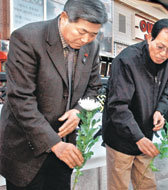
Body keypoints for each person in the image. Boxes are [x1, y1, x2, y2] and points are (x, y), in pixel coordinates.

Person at [0, 0, 107, 189]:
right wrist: (55, 144)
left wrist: (78, 111)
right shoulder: (27, 38)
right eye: (82, 32)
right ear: (64, 18)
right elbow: (20, 99)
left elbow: (94, 87)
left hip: (65, 148)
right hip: (26, 150)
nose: (86, 40)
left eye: (93, 34)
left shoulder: (92, 47)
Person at [102, 19, 168, 189]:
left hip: (145, 134)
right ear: (148, 38)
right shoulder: (126, 61)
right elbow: (117, 106)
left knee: (148, 185)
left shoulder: (167, 62)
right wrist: (137, 137)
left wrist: (160, 111)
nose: (163, 54)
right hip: (121, 137)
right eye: (160, 47)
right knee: (119, 186)